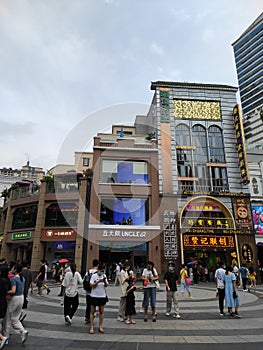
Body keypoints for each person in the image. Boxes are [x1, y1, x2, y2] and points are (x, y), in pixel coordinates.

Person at [2, 263, 29, 345]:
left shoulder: (14, 279)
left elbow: (13, 291)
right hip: (21, 298)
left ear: (16, 269)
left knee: (7, 319)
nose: (12, 269)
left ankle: (5, 337)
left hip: (15, 299)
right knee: (15, 319)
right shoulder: (22, 278)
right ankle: (23, 331)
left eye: (13, 268)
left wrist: (4, 291)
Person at [89, 263, 109, 334]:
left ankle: (100, 326)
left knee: (101, 311)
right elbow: (91, 285)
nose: (102, 272)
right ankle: (91, 327)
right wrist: (98, 282)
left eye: (103, 271)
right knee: (92, 311)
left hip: (102, 295)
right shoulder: (94, 276)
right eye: (101, 270)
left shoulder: (104, 276)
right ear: (98, 270)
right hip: (94, 295)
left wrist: (104, 282)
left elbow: (106, 285)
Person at [84, 258, 99, 324]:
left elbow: (84, 280)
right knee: (93, 305)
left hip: (88, 292)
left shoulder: (88, 272)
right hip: (95, 292)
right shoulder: (98, 272)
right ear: (97, 264)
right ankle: (91, 317)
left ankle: (87, 317)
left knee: (88, 305)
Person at [0, 265, 10, 349]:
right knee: (4, 322)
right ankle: (3, 337)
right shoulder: (6, 281)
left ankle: (2, 338)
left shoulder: (1, 281)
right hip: (4, 302)